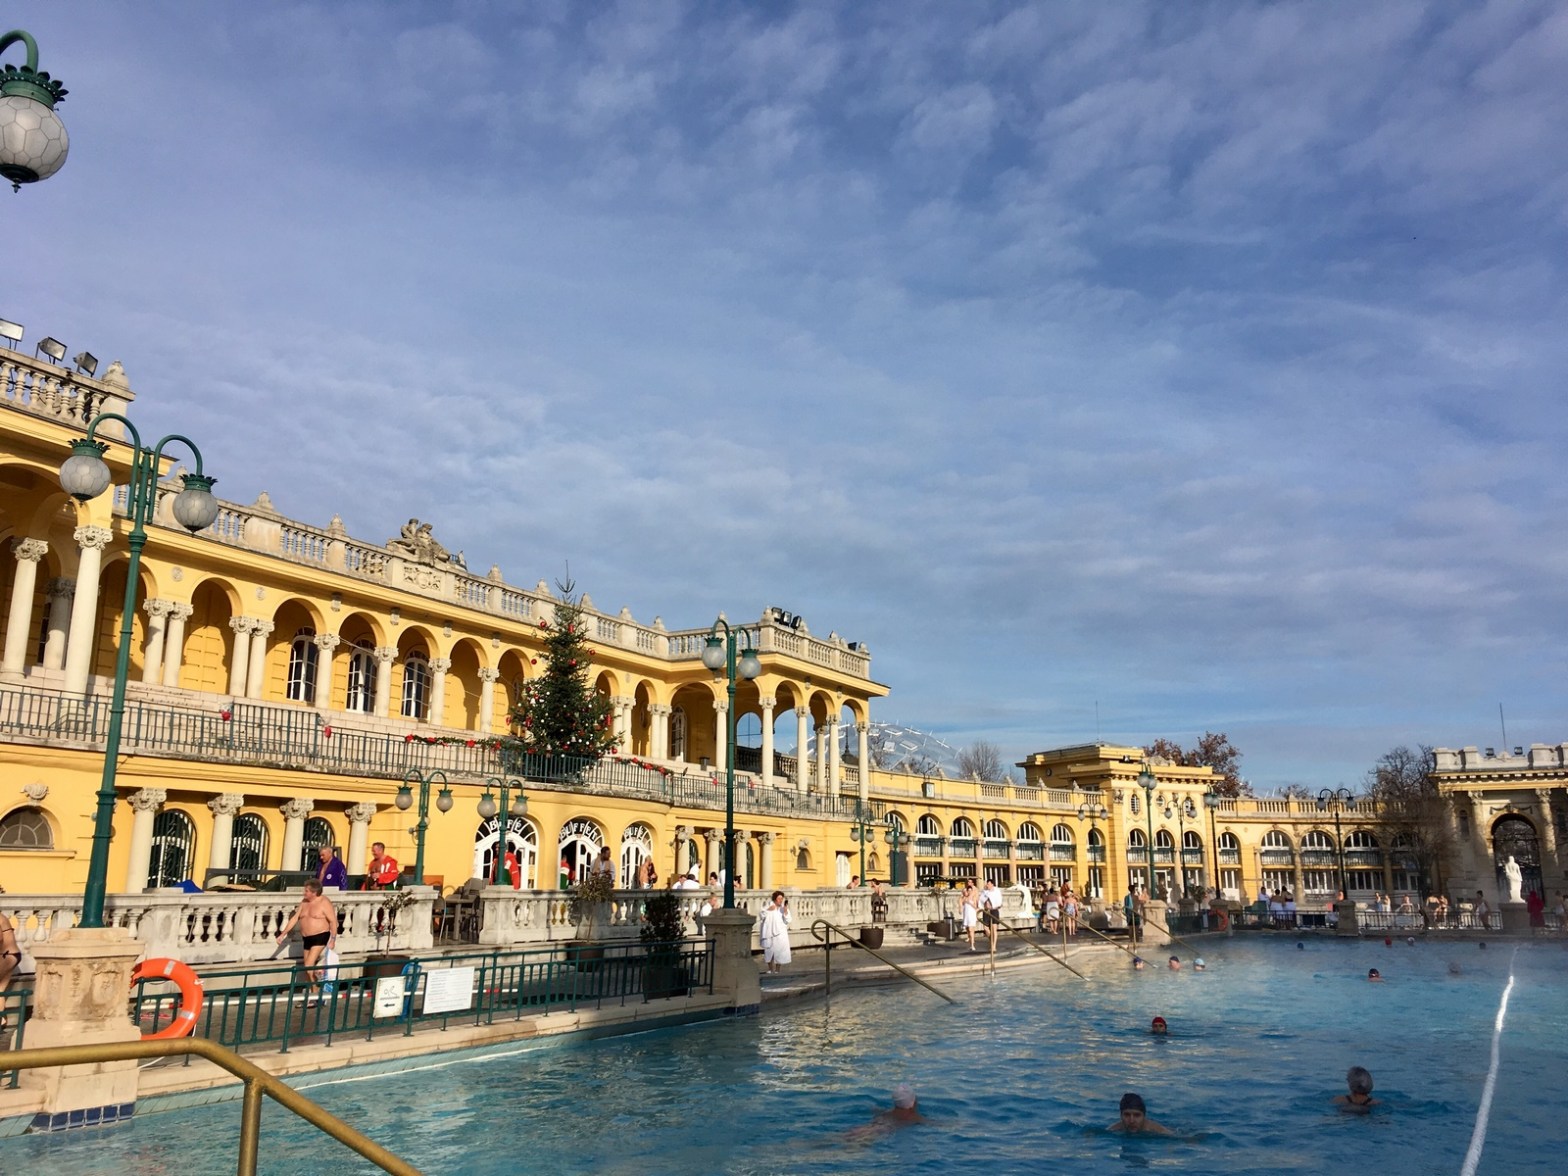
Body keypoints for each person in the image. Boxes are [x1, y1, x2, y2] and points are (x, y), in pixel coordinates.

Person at [277, 880, 337, 1006]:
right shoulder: (304, 903)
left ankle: (316, 992)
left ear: (314, 892)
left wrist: (333, 939)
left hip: (321, 936)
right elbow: (295, 918)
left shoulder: (324, 902)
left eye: (307, 891)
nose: (304, 893)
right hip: (307, 939)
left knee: (309, 966)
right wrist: (283, 934)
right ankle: (315, 995)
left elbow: (333, 921)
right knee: (307, 969)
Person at [847, 1085, 925, 1140]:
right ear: (913, 1102)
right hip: (878, 1133)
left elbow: (873, 1110)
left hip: (866, 1129)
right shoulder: (915, 1119)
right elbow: (934, 1124)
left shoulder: (885, 1112)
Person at [1108, 1092, 1172, 1135]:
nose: (1131, 1121)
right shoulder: (1113, 1130)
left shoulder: (1159, 1131)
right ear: (1121, 1116)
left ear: (1144, 1116)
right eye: (1127, 1115)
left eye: (1137, 1115)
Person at [759, 890, 792, 973]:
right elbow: (761, 915)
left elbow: (788, 920)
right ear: (775, 899)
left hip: (780, 933)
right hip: (769, 932)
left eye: (782, 899)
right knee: (769, 950)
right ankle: (770, 969)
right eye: (779, 899)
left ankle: (777, 969)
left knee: (779, 951)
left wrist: (785, 912)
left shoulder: (783, 909)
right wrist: (769, 910)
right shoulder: (768, 906)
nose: (780, 900)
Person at [980, 878, 1004, 950]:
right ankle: (991, 940)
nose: (987, 885)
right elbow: (981, 900)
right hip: (986, 911)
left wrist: (996, 905)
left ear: (992, 884)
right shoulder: (985, 892)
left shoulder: (996, 891)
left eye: (989, 884)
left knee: (994, 928)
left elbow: (998, 901)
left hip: (993, 910)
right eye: (987, 884)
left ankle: (994, 946)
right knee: (986, 928)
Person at [960, 881, 980, 952]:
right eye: (968, 891)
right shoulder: (964, 898)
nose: (970, 892)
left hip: (972, 915)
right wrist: (960, 909)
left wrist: (970, 903)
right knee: (968, 930)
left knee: (971, 930)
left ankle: (972, 945)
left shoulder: (973, 898)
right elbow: (960, 904)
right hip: (966, 916)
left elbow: (976, 907)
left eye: (971, 891)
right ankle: (971, 942)